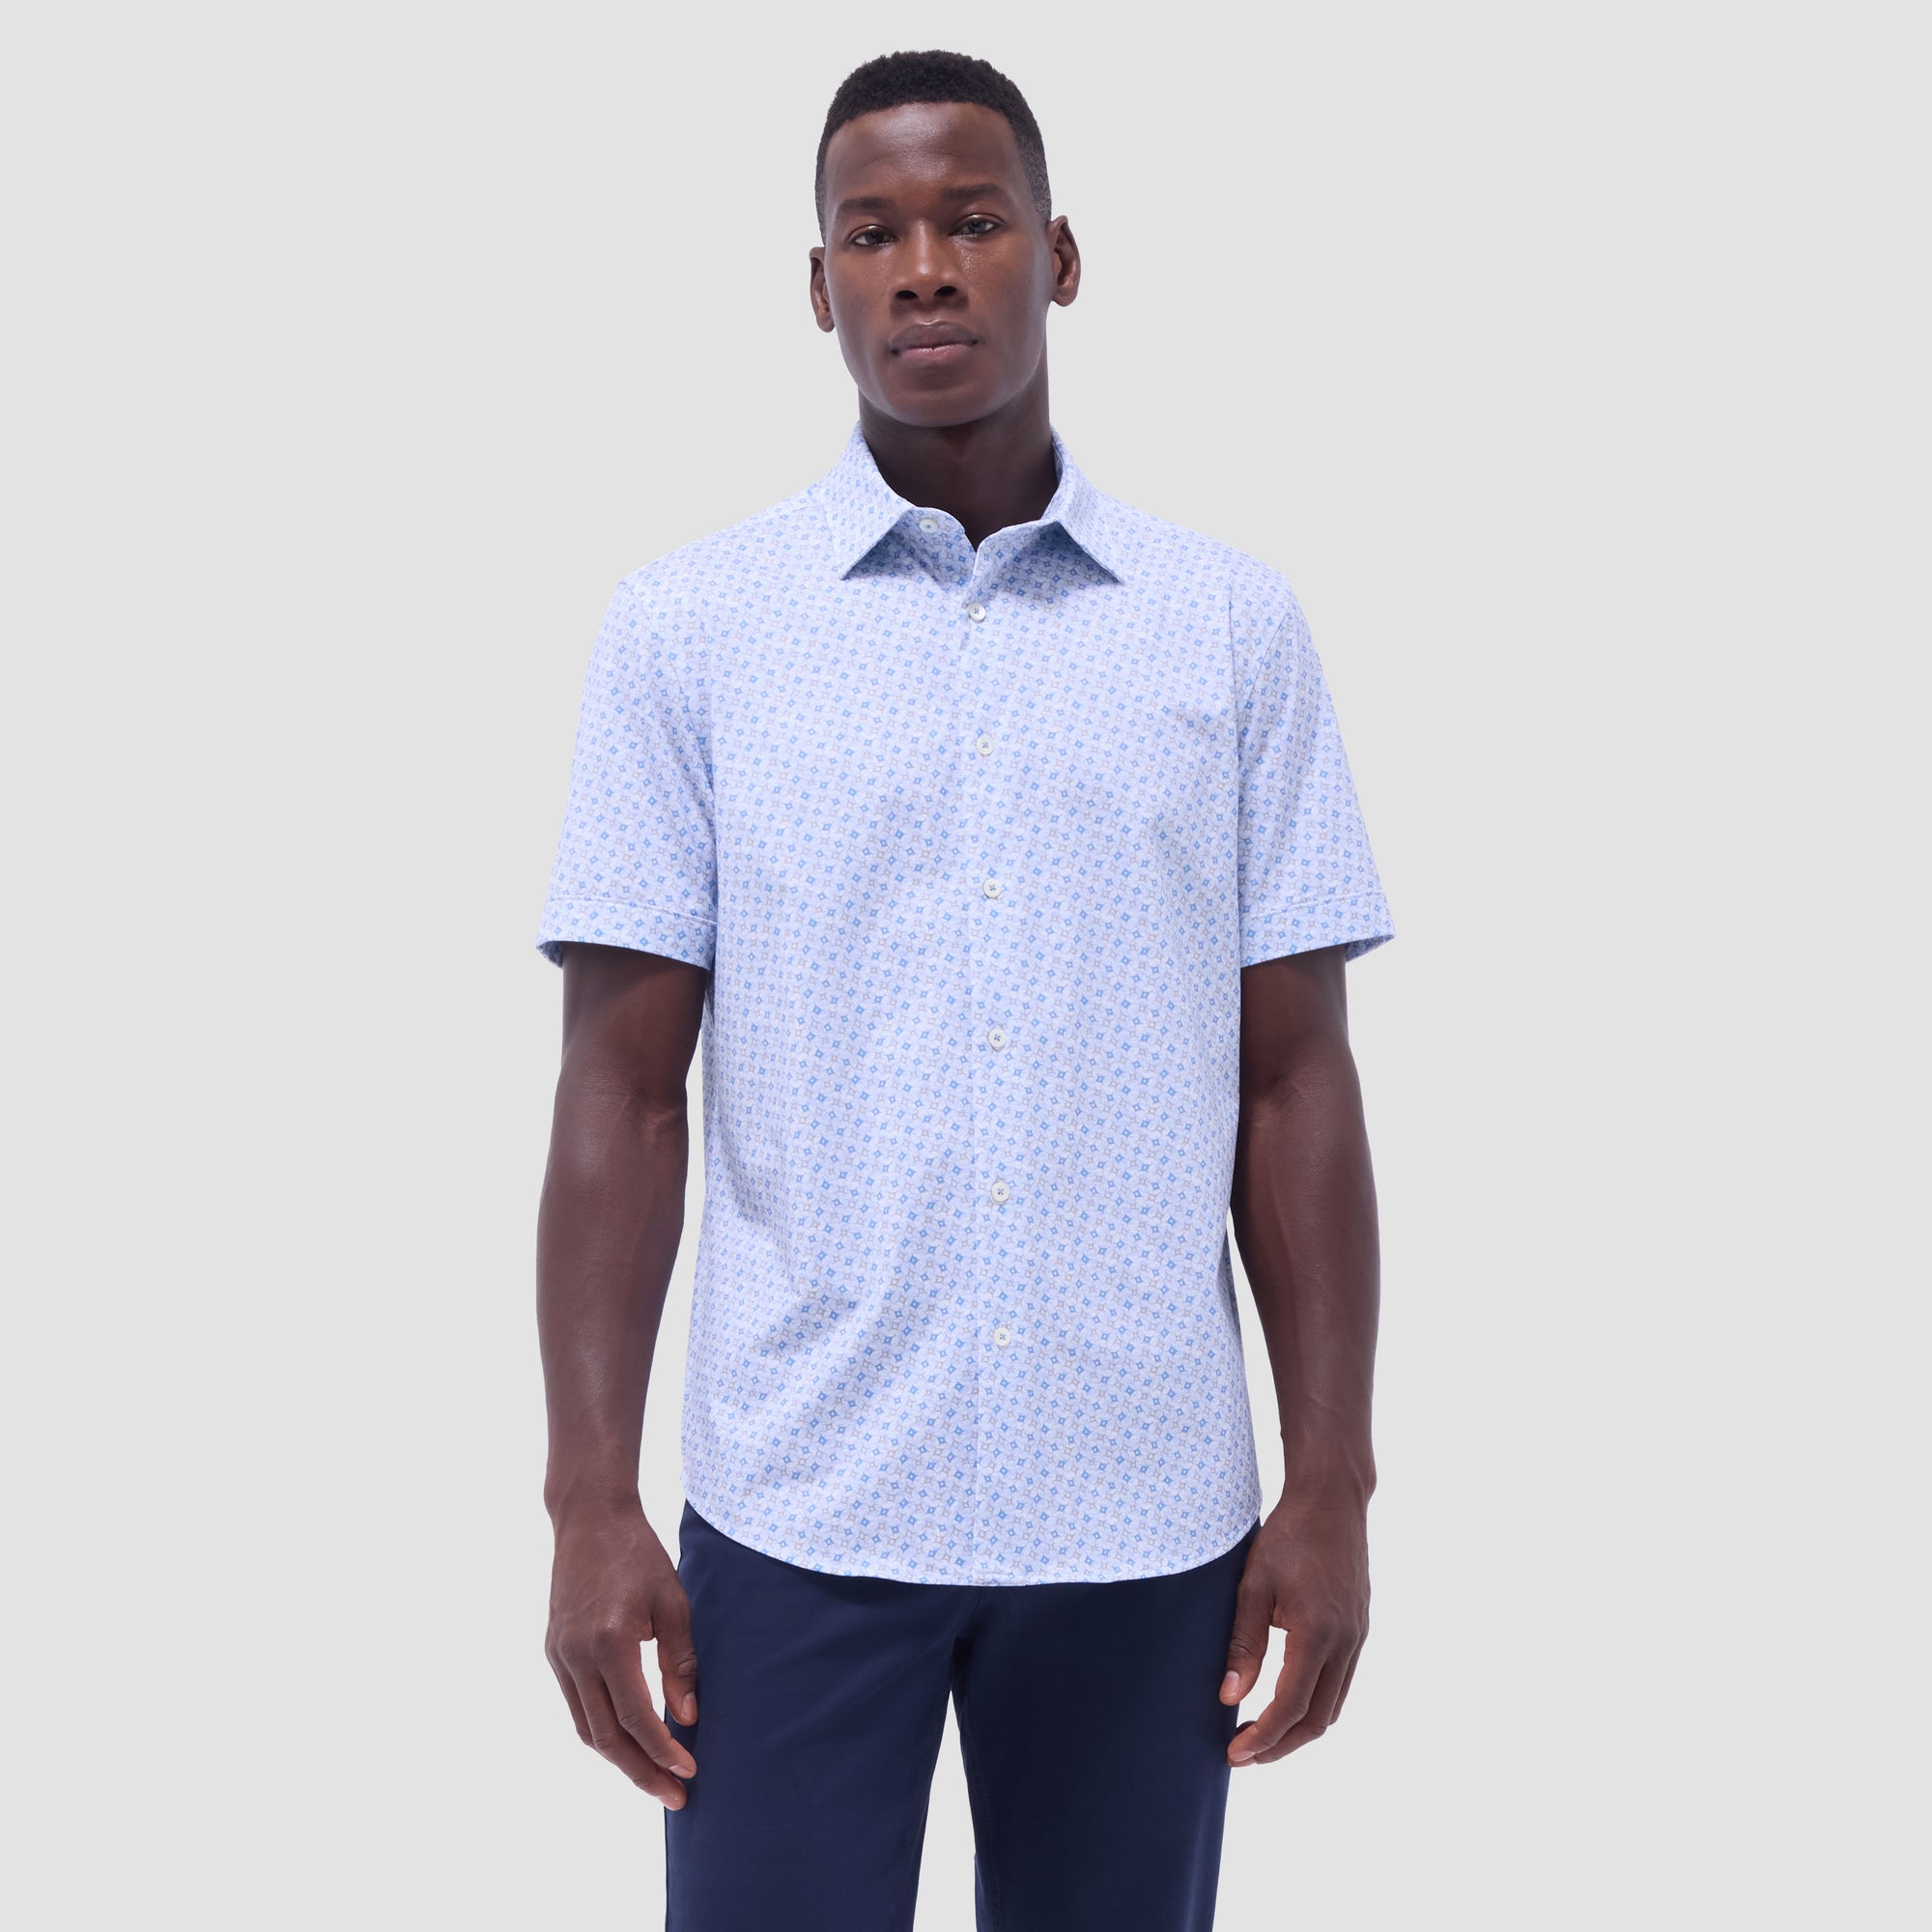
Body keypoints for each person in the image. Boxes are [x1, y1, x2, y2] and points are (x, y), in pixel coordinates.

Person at [533, 47, 1394, 1932]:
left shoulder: (1227, 631)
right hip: (802, 1509)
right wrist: (588, 1497)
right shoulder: (690, 632)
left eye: (973, 220)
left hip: (1144, 1517)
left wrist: (1331, 1478)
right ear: (818, 284)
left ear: (1059, 256)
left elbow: (1296, 1084)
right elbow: (620, 1092)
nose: (923, 267)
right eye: (873, 232)